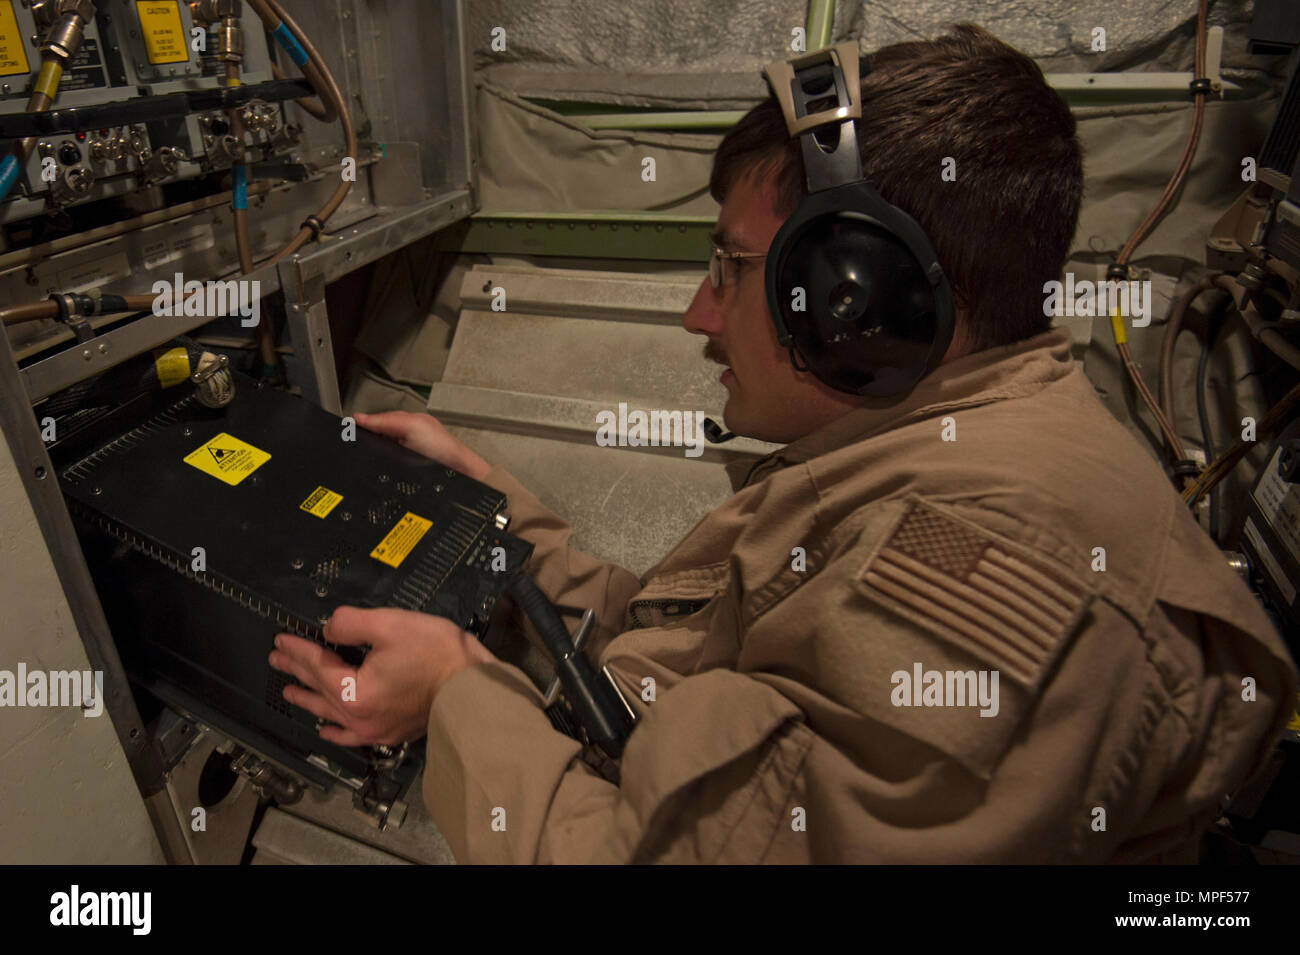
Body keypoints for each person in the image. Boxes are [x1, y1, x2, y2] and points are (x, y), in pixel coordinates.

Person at [268, 24, 1296, 863]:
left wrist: (454, 703)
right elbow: (696, 649)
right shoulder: (933, 439)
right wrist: (500, 523)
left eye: (727, 266)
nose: (695, 316)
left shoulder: (991, 572)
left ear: (855, 301)